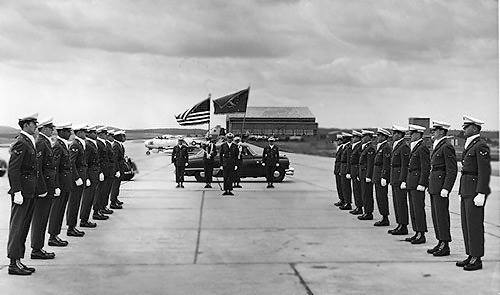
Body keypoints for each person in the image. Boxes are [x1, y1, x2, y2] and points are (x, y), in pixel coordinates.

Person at [7, 113, 41, 275]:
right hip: (22, 192)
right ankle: (13, 263)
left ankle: (18, 261)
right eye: (34, 123)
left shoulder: (29, 141)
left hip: (29, 191)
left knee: (24, 227)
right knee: (17, 227)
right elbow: (13, 169)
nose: (36, 126)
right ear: (26, 125)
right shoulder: (21, 142)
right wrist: (17, 191)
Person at [456, 115, 491, 271]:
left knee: (474, 225)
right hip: (466, 189)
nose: (464, 129)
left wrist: (481, 193)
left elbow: (484, 171)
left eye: (467, 126)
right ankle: (471, 254)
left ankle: (477, 258)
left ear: (475, 128)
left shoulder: (480, 145)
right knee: (466, 225)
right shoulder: (470, 144)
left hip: (474, 190)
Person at [427, 120, 457, 257]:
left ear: (441, 131)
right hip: (434, 186)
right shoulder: (438, 145)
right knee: (436, 216)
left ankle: (445, 245)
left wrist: (447, 188)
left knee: (442, 216)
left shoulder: (446, 146)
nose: (433, 132)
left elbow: (451, 170)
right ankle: (440, 242)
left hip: (441, 188)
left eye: (435, 130)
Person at [30, 117, 56, 260]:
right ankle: (36, 249)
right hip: (43, 189)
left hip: (47, 187)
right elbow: (37, 168)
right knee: (40, 218)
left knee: (43, 218)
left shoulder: (45, 141)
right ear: (44, 129)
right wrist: (41, 189)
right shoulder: (41, 142)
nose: (52, 130)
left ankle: (39, 247)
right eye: (50, 127)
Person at [402, 124, 430, 245]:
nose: (410, 136)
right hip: (411, 182)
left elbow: (425, 167)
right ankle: (416, 232)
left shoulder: (422, 147)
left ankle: (421, 234)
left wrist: (422, 183)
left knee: (418, 209)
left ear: (418, 134)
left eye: (412, 133)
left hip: (417, 182)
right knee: (413, 209)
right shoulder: (415, 147)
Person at [47, 122, 72, 247]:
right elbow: (54, 168)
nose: (70, 133)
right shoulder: (58, 146)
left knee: (61, 210)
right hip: (60, 184)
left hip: (64, 183)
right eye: (67, 131)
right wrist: (56, 185)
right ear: (61, 132)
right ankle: (52, 236)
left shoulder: (63, 145)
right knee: (56, 210)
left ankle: (55, 235)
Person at [388, 125, 411, 235]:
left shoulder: (403, 147)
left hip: (399, 179)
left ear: (399, 134)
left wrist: (403, 180)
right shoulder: (396, 146)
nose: (392, 136)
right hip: (394, 178)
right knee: (397, 203)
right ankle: (399, 224)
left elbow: (405, 165)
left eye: (394, 133)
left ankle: (403, 225)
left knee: (401, 203)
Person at [66, 124, 87, 237]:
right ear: (78, 132)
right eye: (83, 131)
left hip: (80, 178)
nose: (85, 133)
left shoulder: (79, 144)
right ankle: (70, 228)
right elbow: (71, 162)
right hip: (76, 180)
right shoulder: (75, 144)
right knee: (73, 203)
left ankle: (73, 226)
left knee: (76, 203)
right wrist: (76, 177)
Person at [79, 125, 100, 228]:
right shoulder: (87, 145)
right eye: (94, 133)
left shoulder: (92, 144)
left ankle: (86, 219)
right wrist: (86, 177)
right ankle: (83, 220)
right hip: (90, 176)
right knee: (87, 199)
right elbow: (85, 163)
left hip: (93, 175)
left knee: (91, 198)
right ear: (89, 134)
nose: (96, 134)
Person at [372, 128, 392, 226]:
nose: (377, 137)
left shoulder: (386, 147)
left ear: (384, 137)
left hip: (381, 177)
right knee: (379, 197)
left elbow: (386, 163)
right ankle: (383, 216)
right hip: (377, 176)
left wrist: (384, 176)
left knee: (382, 197)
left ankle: (385, 217)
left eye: (379, 135)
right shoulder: (380, 147)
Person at [93, 127, 111, 220]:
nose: (106, 135)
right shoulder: (98, 143)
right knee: (99, 192)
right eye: (104, 133)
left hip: (106, 171)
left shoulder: (103, 143)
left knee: (103, 192)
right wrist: (100, 172)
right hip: (101, 172)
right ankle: (96, 211)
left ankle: (101, 208)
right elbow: (98, 159)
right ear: (100, 134)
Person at [358, 130, 375, 220]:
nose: (362, 138)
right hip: (363, 174)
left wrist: (368, 176)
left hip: (366, 175)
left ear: (369, 137)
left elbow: (370, 164)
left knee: (367, 194)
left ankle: (369, 213)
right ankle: (366, 211)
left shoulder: (370, 148)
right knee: (364, 194)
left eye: (364, 136)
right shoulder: (365, 148)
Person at [110, 130, 126, 208]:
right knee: (115, 186)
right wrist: (116, 170)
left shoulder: (120, 145)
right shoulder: (116, 145)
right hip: (117, 169)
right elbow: (115, 159)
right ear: (118, 137)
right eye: (123, 136)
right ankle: (113, 202)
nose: (124, 138)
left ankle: (115, 199)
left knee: (117, 186)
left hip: (120, 168)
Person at [348, 131, 363, 215]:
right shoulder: (354, 146)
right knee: (355, 190)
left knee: (358, 190)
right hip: (354, 170)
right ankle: (358, 206)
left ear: (358, 138)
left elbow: (360, 161)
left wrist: (357, 172)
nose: (352, 138)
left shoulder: (359, 146)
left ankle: (360, 207)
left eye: (354, 137)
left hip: (357, 170)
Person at [339, 133, 353, 210]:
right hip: (342, 168)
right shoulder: (344, 147)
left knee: (346, 187)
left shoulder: (348, 147)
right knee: (343, 187)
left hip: (345, 169)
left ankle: (348, 203)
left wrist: (348, 171)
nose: (342, 140)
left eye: (344, 138)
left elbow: (348, 160)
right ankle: (344, 201)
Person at [333, 134, 345, 206]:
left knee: (342, 186)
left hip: (340, 170)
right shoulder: (339, 148)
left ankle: (343, 200)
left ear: (341, 141)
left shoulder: (342, 148)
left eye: (338, 140)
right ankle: (341, 199)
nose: (337, 142)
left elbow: (342, 161)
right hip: (337, 170)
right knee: (339, 186)